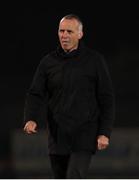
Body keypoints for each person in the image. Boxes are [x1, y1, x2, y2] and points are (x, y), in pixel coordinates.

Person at [23, 14, 115, 179]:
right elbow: (35, 94)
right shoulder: (48, 62)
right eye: (61, 31)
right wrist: (30, 118)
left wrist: (104, 132)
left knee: (74, 175)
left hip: (85, 134)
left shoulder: (95, 61)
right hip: (58, 135)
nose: (64, 35)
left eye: (69, 31)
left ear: (80, 34)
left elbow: (106, 99)